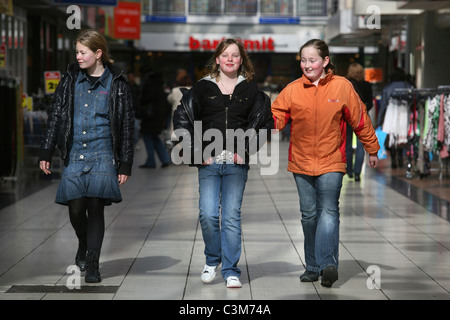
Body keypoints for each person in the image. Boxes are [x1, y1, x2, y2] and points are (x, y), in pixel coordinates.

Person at [271, 39, 379, 288]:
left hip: (333, 159)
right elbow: (276, 117)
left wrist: (371, 149)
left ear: (325, 61)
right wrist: (259, 119)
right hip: (301, 162)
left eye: (312, 60)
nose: (307, 65)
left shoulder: (342, 86)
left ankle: (328, 264)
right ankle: (312, 266)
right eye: (303, 60)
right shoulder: (293, 89)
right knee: (309, 215)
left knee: (329, 210)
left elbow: (360, 120)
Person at [172, 38, 272, 288]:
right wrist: (196, 151)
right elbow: (182, 117)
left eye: (235, 55)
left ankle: (230, 270)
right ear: (217, 59)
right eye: (225, 55)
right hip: (208, 163)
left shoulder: (250, 90)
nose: (230, 59)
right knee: (207, 214)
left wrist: (245, 150)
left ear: (241, 60)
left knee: (230, 217)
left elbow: (264, 124)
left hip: (236, 164)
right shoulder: (202, 88)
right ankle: (212, 259)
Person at [39, 29, 135, 283]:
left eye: (83, 52)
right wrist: (46, 150)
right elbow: (57, 116)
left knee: (95, 207)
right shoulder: (70, 79)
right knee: (75, 207)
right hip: (75, 151)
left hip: (103, 152)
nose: (78, 57)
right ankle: (84, 243)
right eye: (77, 53)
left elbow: (126, 125)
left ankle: (93, 264)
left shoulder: (118, 83)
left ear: (98, 53)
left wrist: (125, 163)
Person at [377, 67, 413, 169]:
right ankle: (401, 158)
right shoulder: (408, 85)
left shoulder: (388, 87)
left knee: (392, 137)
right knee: (402, 135)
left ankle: (393, 160)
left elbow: (383, 105)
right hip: (404, 113)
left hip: (391, 115)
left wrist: (379, 120)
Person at [137, 67, 171, 168]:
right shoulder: (160, 86)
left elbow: (145, 99)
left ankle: (151, 161)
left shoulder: (149, 84)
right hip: (159, 116)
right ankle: (165, 159)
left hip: (150, 116)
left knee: (148, 136)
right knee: (155, 137)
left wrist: (141, 101)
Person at [345, 62, 373, 181]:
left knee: (348, 145)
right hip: (361, 117)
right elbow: (370, 103)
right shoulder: (367, 85)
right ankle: (357, 173)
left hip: (348, 117)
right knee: (361, 146)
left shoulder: (346, 84)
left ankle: (349, 170)